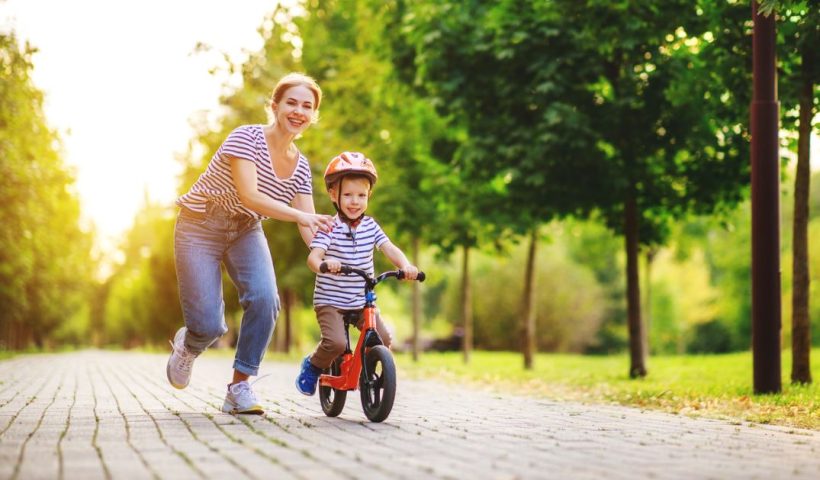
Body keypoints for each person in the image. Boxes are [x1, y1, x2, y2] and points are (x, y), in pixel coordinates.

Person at [167, 72, 335, 415]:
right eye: (291, 102)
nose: (298, 111)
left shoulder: (300, 166)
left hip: (245, 230)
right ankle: (189, 344)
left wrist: (327, 255)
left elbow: (310, 225)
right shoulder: (246, 138)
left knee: (265, 299)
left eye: (307, 106)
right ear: (274, 106)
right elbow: (251, 195)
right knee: (210, 325)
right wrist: (301, 217)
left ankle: (239, 386)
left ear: (313, 115)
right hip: (200, 225)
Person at [295, 151, 419, 396]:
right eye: (348, 195)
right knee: (336, 343)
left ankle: (368, 375)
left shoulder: (371, 226)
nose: (355, 201)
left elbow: (389, 248)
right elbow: (313, 257)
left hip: (361, 300)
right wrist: (324, 262)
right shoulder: (328, 227)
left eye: (361, 195)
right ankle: (313, 365)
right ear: (333, 195)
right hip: (330, 301)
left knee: (382, 338)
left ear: (369, 196)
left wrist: (406, 266)